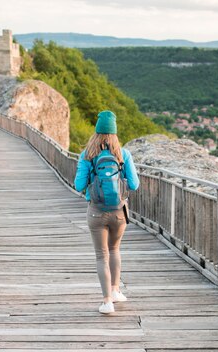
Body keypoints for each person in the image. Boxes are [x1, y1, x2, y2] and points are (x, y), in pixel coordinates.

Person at [74, 110, 140, 314]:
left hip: (95, 211)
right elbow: (135, 185)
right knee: (114, 250)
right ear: (114, 132)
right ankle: (116, 290)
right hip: (119, 211)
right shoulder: (123, 154)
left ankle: (107, 302)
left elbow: (78, 185)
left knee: (101, 255)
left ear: (96, 131)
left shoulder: (88, 155)